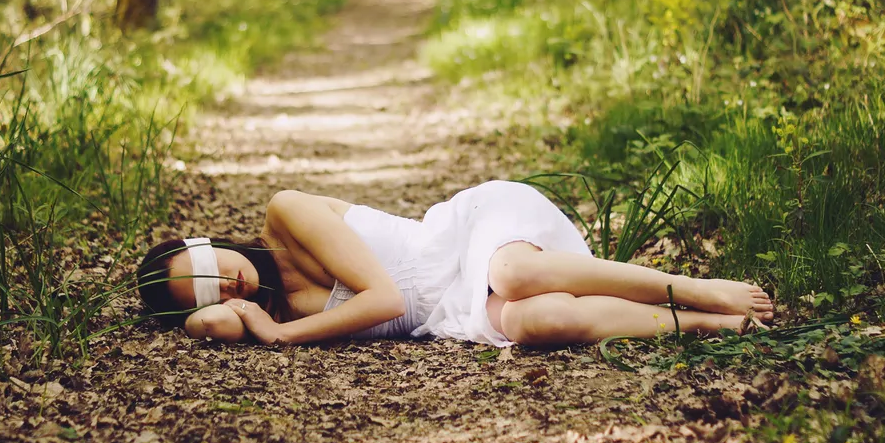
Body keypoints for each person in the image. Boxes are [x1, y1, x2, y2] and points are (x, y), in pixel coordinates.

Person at [136, 180, 774, 346]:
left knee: (516, 277)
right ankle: (707, 327)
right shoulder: (251, 308)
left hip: (468, 234)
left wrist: (277, 335)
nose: (224, 280)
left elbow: (383, 300)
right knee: (536, 323)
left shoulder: (286, 216)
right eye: (205, 291)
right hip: (448, 310)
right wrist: (210, 314)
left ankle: (696, 289)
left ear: (207, 239)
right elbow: (205, 329)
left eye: (207, 264)